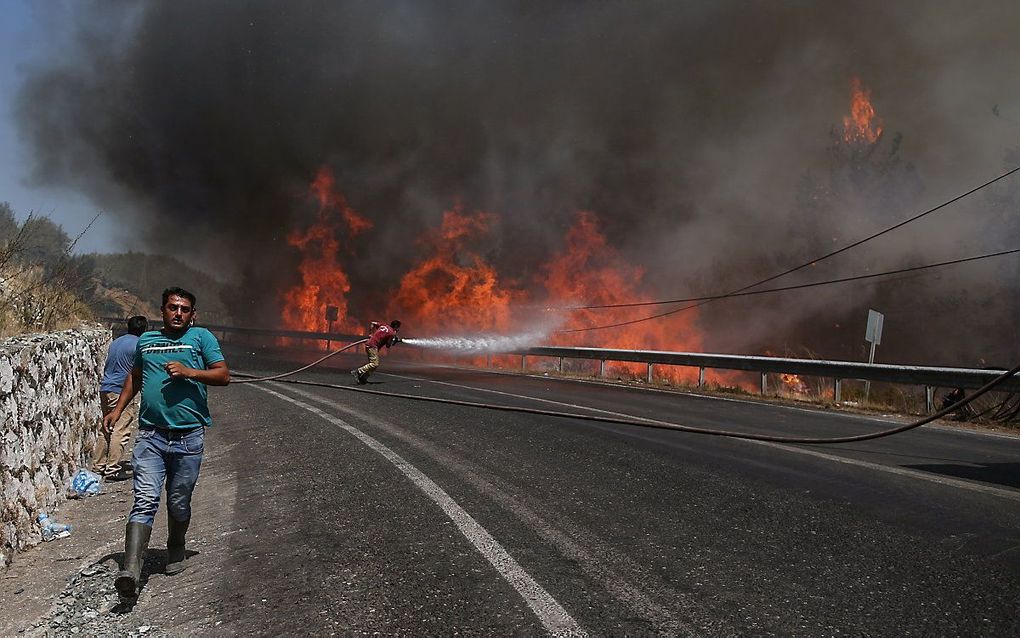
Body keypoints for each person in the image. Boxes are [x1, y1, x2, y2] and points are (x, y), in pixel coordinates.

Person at [103, 287, 230, 598]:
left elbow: (223, 375)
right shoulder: (146, 341)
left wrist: (189, 372)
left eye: (185, 309)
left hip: (189, 437)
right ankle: (131, 570)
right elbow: (135, 374)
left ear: (192, 314)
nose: (178, 313)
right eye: (173, 307)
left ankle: (176, 547)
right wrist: (118, 409)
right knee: (145, 499)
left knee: (178, 501)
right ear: (161, 311)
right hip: (151, 436)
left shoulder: (202, 338)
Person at [93, 315, 148, 481]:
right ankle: (113, 469)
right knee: (121, 429)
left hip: (106, 387)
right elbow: (138, 372)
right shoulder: (139, 345)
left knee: (106, 427)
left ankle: (98, 466)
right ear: (144, 329)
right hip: (120, 390)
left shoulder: (116, 342)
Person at [351, 319, 401, 384]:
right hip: (372, 346)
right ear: (396, 326)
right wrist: (394, 340)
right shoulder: (392, 333)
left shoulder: (384, 326)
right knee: (375, 364)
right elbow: (388, 345)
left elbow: (373, 323)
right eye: (398, 327)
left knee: (374, 365)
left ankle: (363, 378)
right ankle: (358, 371)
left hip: (370, 345)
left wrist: (370, 334)